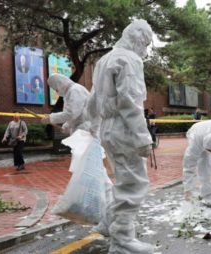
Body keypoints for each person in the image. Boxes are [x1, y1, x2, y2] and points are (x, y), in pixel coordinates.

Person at [84, 19, 154, 254]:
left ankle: (109, 224)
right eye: (145, 42)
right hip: (124, 129)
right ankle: (122, 240)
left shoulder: (104, 60)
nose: (145, 48)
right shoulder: (129, 60)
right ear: (139, 39)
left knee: (124, 181)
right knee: (134, 184)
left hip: (108, 128)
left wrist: (93, 125)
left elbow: (93, 99)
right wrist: (143, 137)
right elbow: (130, 101)